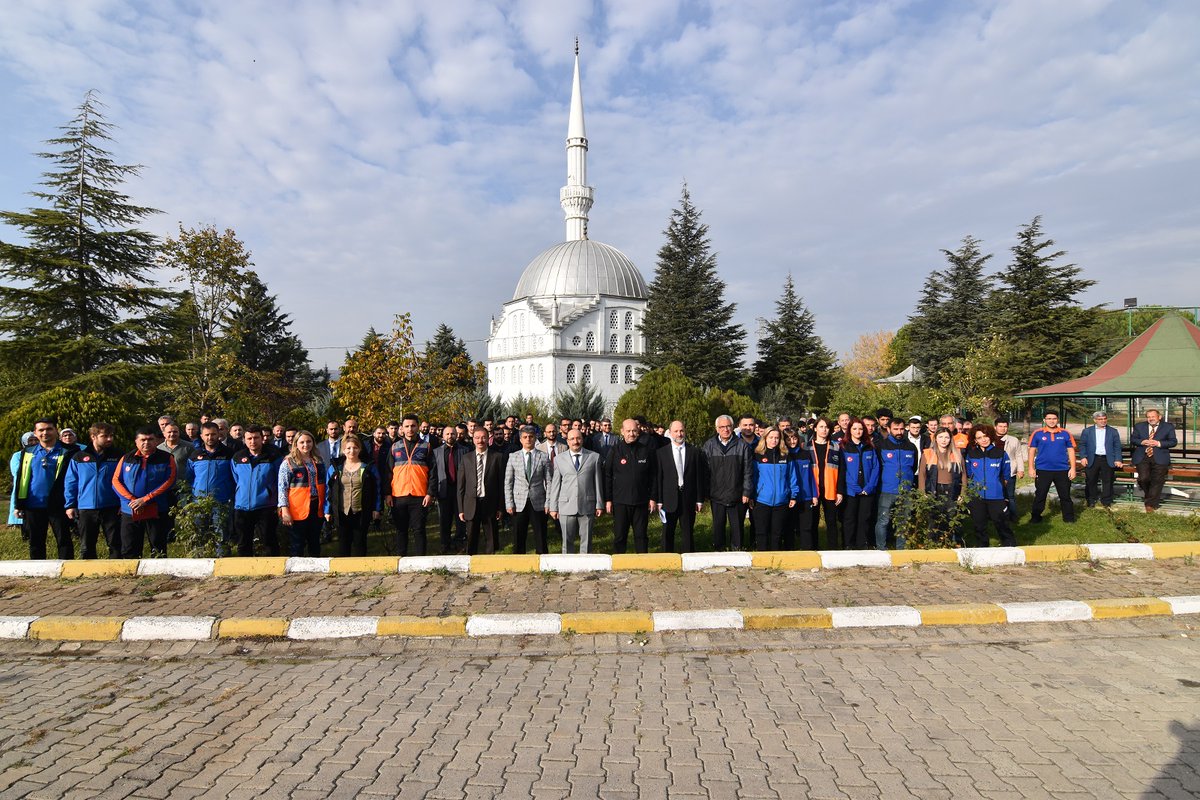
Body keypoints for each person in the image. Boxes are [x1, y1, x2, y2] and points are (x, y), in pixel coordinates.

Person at [112, 425, 177, 558]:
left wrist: (145, 499)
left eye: (150, 439)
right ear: (136, 441)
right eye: (142, 440)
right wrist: (132, 500)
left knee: (158, 546)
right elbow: (116, 481)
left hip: (157, 509)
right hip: (130, 510)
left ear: (156, 441)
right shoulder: (126, 458)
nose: (146, 443)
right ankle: (131, 576)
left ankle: (159, 575)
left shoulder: (166, 458)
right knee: (129, 547)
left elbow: (169, 481)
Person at [13, 418, 72, 559]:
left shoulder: (68, 451)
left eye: (49, 429)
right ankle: (37, 570)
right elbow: (21, 478)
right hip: (33, 504)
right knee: (35, 541)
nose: (45, 432)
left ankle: (67, 572)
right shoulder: (27, 452)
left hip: (59, 504)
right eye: (41, 430)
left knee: (64, 540)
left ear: (56, 431)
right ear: (35, 433)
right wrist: (18, 504)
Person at [64, 423, 122, 559]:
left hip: (112, 507)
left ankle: (117, 574)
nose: (109, 439)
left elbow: (125, 481)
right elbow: (71, 482)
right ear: (93, 437)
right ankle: (88, 576)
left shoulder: (118, 455)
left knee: (115, 544)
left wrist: (122, 503)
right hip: (86, 508)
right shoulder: (79, 457)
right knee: (87, 546)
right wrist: (70, 505)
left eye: (111, 436)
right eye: (105, 436)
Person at [701, 415, 754, 551]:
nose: (725, 429)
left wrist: (746, 492)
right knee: (718, 526)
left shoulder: (743, 446)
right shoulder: (709, 445)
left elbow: (748, 471)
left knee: (737, 527)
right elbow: (704, 472)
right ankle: (719, 550)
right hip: (716, 495)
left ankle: (737, 550)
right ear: (717, 429)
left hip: (737, 495)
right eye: (722, 427)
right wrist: (706, 492)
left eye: (728, 426)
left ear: (733, 427)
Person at [386, 414, 436, 556]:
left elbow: (433, 472)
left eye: (413, 426)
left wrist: (430, 493)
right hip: (398, 495)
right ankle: (401, 559)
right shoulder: (395, 447)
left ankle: (420, 560)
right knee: (401, 530)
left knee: (419, 529)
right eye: (407, 426)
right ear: (402, 428)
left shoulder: (426, 446)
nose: (410, 429)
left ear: (418, 427)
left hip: (419, 495)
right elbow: (388, 473)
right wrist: (387, 493)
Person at [548, 429, 604, 554]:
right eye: (572, 439)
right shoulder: (559, 459)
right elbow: (556, 485)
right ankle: (567, 566)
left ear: (582, 439)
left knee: (587, 540)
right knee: (567, 540)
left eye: (578, 438)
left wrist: (599, 504)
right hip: (566, 505)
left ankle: (585, 566)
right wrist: (553, 507)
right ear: (567, 441)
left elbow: (598, 482)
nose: (575, 441)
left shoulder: (594, 457)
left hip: (587, 504)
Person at [325, 435, 381, 557]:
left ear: (360, 449)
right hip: (342, 512)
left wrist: (377, 508)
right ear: (343, 450)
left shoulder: (368, 467)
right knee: (343, 544)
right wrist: (327, 510)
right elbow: (328, 489)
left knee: (360, 543)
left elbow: (377, 488)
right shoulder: (335, 467)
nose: (352, 451)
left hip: (361, 511)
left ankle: (361, 573)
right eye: (348, 448)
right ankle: (344, 573)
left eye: (355, 448)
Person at [231, 425, 283, 556]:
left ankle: (273, 569)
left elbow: (280, 480)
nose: (252, 441)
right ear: (244, 440)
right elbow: (236, 479)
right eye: (249, 438)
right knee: (243, 542)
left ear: (262, 438)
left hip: (266, 505)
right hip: (242, 506)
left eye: (256, 438)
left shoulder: (273, 456)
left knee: (268, 540)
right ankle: (245, 571)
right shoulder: (237, 457)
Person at [654, 420, 706, 553]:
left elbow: (699, 477)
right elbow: (659, 478)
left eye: (681, 430)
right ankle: (667, 557)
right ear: (670, 433)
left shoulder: (694, 452)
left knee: (688, 531)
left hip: (688, 498)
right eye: (676, 431)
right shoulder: (661, 453)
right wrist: (659, 500)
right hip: (668, 498)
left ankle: (688, 556)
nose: (679, 433)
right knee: (667, 531)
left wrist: (699, 499)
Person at [186, 421, 235, 556]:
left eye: (213, 434)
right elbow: (190, 477)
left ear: (219, 434)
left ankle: (223, 562)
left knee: (222, 535)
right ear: (201, 436)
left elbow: (235, 476)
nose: (210, 437)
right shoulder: (194, 455)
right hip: (199, 502)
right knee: (199, 535)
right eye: (207, 435)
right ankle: (199, 561)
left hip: (222, 501)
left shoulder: (229, 454)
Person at [278, 430, 326, 557]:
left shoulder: (318, 461)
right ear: (296, 444)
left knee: (314, 541)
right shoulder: (288, 462)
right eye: (302, 442)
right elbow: (282, 487)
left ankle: (314, 569)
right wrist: (284, 510)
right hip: (297, 508)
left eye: (309, 441)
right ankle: (297, 572)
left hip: (316, 506)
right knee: (297, 543)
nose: (306, 445)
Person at [875, 417, 920, 551]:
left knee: (903, 522)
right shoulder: (881, 446)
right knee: (883, 521)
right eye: (895, 429)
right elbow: (877, 467)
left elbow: (913, 467)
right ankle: (881, 549)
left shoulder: (911, 447)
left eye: (901, 429)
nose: (899, 432)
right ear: (888, 429)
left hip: (905, 491)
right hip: (886, 490)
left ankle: (901, 549)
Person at [965, 425, 1014, 547]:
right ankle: (982, 548)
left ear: (990, 436)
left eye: (985, 436)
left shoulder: (1001, 453)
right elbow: (968, 474)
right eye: (979, 437)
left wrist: (998, 487)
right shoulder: (971, 454)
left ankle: (1009, 545)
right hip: (977, 496)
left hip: (996, 496)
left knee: (1001, 523)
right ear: (975, 440)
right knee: (979, 525)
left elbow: (1006, 475)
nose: (983, 440)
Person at [504, 426, 552, 554]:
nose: (528, 439)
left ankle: (543, 562)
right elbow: (508, 482)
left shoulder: (543, 457)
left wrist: (548, 502)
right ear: (520, 439)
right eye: (525, 437)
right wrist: (509, 503)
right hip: (519, 502)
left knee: (541, 535)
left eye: (531, 437)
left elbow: (549, 481)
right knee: (518, 536)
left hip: (539, 501)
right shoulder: (513, 457)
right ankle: (518, 562)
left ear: (535, 438)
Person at [750, 427, 798, 550]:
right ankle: (762, 561)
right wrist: (751, 495)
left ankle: (775, 561)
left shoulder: (786, 456)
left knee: (777, 534)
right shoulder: (757, 456)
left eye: (777, 438)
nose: (774, 440)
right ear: (765, 438)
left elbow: (792, 477)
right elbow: (753, 477)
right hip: (762, 500)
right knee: (761, 533)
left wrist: (793, 495)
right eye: (771, 437)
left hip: (781, 501)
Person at [457, 427, 505, 554]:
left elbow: (501, 484)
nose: (480, 440)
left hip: (490, 503)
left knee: (491, 536)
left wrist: (500, 507)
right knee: (472, 536)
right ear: (473, 439)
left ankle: (490, 561)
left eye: (483, 437)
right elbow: (460, 486)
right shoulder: (466, 458)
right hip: (471, 503)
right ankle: (471, 559)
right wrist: (461, 508)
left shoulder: (497, 457)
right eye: (477, 438)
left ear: (488, 438)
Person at [837, 419, 879, 550]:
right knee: (849, 519)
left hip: (867, 491)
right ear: (849, 430)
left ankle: (863, 544)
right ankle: (848, 544)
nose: (858, 431)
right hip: (851, 491)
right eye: (854, 429)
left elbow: (875, 468)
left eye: (860, 429)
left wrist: (869, 487)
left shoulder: (870, 447)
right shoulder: (843, 447)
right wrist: (855, 488)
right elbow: (844, 470)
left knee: (864, 519)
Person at [1027, 411, 1076, 524]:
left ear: (1057, 420)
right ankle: (1036, 517)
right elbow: (1032, 451)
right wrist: (1031, 468)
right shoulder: (1037, 433)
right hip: (1043, 470)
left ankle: (1069, 518)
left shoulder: (1065, 433)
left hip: (1062, 470)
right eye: (1049, 418)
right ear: (1044, 420)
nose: (1051, 421)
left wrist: (1072, 468)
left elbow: (1071, 451)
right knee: (1040, 494)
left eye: (1054, 418)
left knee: (1065, 495)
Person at [922, 428, 964, 546]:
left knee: (951, 519)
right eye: (940, 437)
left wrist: (962, 493)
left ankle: (950, 544)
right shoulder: (928, 453)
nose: (943, 440)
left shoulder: (957, 454)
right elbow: (922, 474)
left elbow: (964, 475)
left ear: (950, 439)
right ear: (935, 439)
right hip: (934, 491)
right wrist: (922, 492)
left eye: (946, 437)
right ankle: (932, 545)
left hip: (952, 491)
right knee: (933, 520)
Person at [1131, 408, 1177, 513]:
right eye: (1149, 417)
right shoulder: (1139, 426)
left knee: (1157, 481)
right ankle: (1150, 496)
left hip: (1160, 457)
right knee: (1143, 479)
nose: (1151, 419)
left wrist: (1158, 443)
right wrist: (1142, 442)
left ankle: (1150, 504)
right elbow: (1133, 439)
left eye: (1153, 417)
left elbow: (1173, 442)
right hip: (1143, 456)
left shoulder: (1168, 427)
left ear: (1159, 417)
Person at [431, 425, 467, 553]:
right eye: (447, 434)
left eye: (452, 434)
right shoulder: (436, 452)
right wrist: (433, 491)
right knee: (444, 520)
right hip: (444, 490)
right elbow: (434, 473)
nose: (450, 436)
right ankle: (445, 544)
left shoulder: (465, 450)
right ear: (443, 436)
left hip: (460, 490)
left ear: (456, 435)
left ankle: (460, 543)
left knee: (460, 519)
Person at [1078, 411, 1123, 509]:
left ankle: (1106, 501)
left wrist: (1118, 459)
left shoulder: (1113, 431)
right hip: (1092, 458)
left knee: (1108, 481)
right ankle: (1091, 500)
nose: (1103, 421)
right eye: (1100, 419)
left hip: (1107, 459)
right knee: (1091, 480)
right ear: (1095, 420)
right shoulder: (1087, 431)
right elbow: (1082, 445)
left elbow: (1117, 446)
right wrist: (1083, 457)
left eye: (1104, 419)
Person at [808, 418, 842, 549]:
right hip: (813, 490)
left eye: (827, 427)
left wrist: (840, 491)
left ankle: (833, 549)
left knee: (832, 522)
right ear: (815, 428)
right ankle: (813, 548)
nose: (824, 430)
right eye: (821, 427)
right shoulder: (806, 446)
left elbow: (841, 470)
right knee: (812, 522)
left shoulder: (837, 447)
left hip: (830, 489)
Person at [783, 428, 819, 549]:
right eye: (788, 439)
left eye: (794, 438)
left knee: (806, 527)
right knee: (789, 526)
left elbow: (811, 476)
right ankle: (789, 549)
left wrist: (814, 494)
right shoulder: (783, 455)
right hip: (789, 497)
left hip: (806, 496)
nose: (792, 441)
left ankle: (807, 549)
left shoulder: (805, 454)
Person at [994, 419, 1023, 521]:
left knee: (1010, 495)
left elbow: (1019, 455)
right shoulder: (989, 439)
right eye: (1000, 426)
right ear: (995, 427)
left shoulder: (1013, 440)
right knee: (995, 495)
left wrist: (1020, 469)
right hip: (994, 472)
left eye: (1005, 426)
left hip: (1009, 471)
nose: (1003, 429)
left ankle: (1013, 516)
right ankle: (997, 516)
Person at [8, 432, 35, 528]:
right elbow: (16, 471)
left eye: (35, 440)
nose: (33, 442)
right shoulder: (18, 455)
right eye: (30, 440)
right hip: (22, 486)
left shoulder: (41, 453)